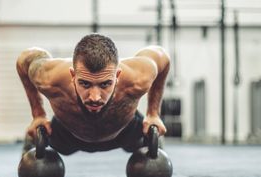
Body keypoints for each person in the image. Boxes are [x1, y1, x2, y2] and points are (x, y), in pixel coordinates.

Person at [16, 33, 170, 155]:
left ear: (117, 76)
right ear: (72, 75)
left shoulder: (138, 77)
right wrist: (38, 115)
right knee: (37, 142)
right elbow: (24, 60)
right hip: (67, 134)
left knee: (151, 146)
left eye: (105, 84)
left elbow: (163, 58)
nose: (95, 97)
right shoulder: (49, 77)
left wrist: (153, 114)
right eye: (85, 83)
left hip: (126, 132)